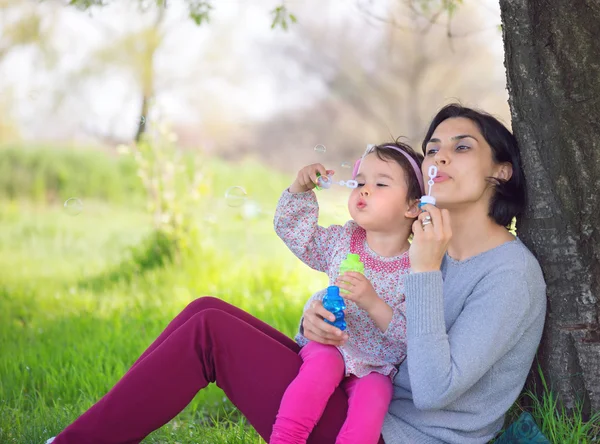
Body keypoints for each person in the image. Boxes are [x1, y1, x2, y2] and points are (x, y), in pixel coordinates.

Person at [47, 104, 546, 444]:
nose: (439, 156)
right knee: (206, 310)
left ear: (500, 171)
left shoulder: (509, 274)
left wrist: (424, 272)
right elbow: (376, 322)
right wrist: (313, 323)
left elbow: (436, 390)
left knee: (209, 332)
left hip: (385, 431)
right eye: (433, 147)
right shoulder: (428, 247)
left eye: (462, 148)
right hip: (351, 394)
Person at [270, 142, 423, 444]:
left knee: (375, 399)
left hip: (377, 366)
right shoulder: (344, 240)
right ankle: (285, 439)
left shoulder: (418, 266)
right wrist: (300, 189)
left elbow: (413, 335)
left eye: (380, 184)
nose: (364, 190)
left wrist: (372, 302)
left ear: (413, 206)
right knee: (323, 366)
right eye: (360, 182)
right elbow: (297, 235)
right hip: (330, 345)